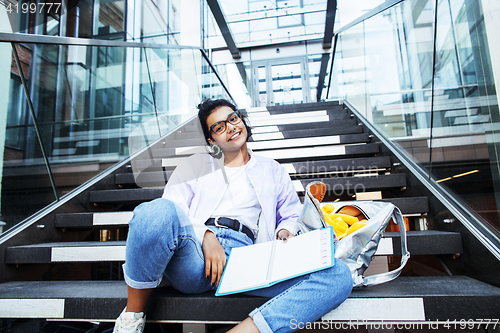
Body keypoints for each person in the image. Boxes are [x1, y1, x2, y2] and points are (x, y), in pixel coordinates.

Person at [113, 99, 353, 333]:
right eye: (219, 127)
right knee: (154, 210)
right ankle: (132, 317)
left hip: (248, 260)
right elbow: (172, 210)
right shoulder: (195, 165)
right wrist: (206, 236)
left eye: (233, 118)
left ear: (242, 120)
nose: (231, 127)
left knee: (339, 275)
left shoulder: (272, 169)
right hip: (195, 257)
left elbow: (290, 213)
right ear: (211, 140)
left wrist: (284, 231)